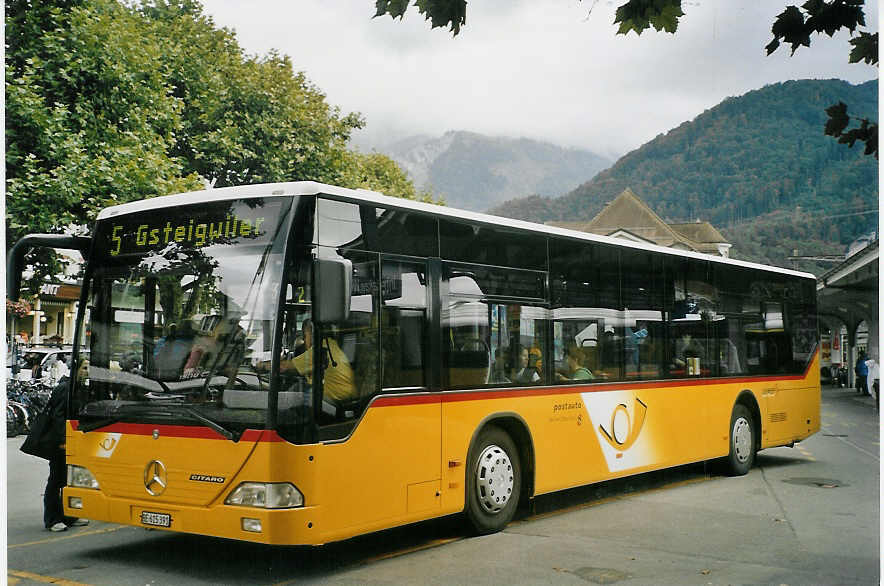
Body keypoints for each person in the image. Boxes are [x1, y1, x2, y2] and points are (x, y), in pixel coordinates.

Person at [21, 367, 89, 532]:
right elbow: (58, 416)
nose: (87, 371)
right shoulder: (65, 388)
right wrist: (63, 440)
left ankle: (69, 516)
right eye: (84, 367)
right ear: (76, 368)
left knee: (68, 479)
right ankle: (52, 519)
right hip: (62, 442)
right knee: (56, 479)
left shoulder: (78, 388)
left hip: (74, 440)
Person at [280, 319, 356, 405]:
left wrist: (262, 365)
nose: (304, 340)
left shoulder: (319, 349)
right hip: (344, 393)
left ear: (313, 335)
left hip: (336, 398)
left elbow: (284, 366)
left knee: (291, 397)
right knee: (299, 388)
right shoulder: (331, 345)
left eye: (305, 336)